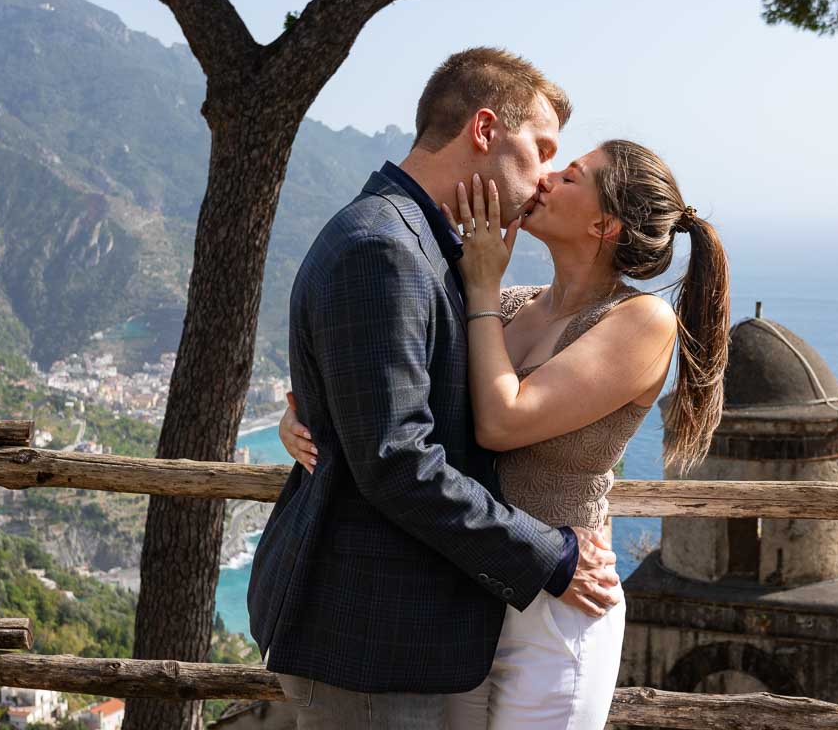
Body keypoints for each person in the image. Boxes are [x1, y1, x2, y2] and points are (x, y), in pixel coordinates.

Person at [279, 138, 732, 727]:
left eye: (571, 176)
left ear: (605, 224)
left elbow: (501, 422)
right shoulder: (512, 308)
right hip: (465, 586)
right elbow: (401, 404)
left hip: (561, 599)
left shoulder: (641, 321)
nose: (545, 179)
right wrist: (310, 419)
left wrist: (482, 287)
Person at [246, 48, 622, 730]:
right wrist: (551, 555)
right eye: (540, 149)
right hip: (369, 640)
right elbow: (396, 460)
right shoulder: (384, 248)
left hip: (391, 637)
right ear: (484, 130)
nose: (542, 179)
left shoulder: (414, 240)